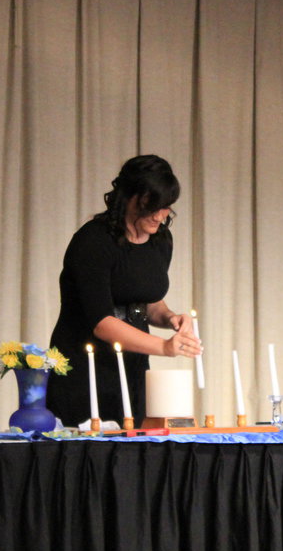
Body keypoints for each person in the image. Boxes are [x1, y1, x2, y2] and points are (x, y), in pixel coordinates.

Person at [47, 155, 202, 427]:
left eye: (166, 207)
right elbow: (102, 323)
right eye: (151, 206)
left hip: (132, 362)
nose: (159, 215)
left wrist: (169, 318)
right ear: (128, 197)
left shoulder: (161, 240)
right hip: (86, 364)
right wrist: (165, 347)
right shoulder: (93, 240)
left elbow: (148, 301)